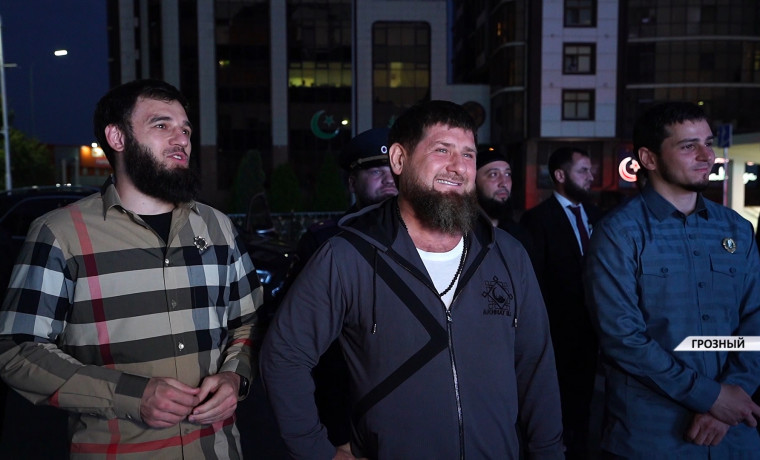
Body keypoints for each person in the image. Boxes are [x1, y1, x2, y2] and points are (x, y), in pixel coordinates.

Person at [260, 100, 563, 459]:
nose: (458, 166)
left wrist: (549, 453)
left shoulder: (507, 254)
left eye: (468, 154)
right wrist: (316, 451)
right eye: (442, 150)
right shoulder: (347, 257)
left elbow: (536, 366)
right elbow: (284, 356)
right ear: (399, 159)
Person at [0, 79, 263, 459]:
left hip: (219, 450)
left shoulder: (217, 226)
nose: (181, 139)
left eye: (185, 129)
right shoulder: (60, 233)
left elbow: (249, 321)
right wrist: (127, 395)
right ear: (117, 137)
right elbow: (18, 350)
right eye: (162, 125)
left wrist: (235, 376)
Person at [585, 101, 760, 457]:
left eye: (708, 143)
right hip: (653, 438)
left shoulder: (737, 229)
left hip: (734, 436)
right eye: (688, 146)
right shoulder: (619, 233)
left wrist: (733, 393)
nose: (706, 156)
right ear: (649, 158)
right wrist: (711, 397)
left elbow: (755, 319)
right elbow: (623, 339)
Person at [288, 127, 398, 448]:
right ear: (352, 183)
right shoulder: (325, 241)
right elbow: (295, 339)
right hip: (344, 403)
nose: (389, 180)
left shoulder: (428, 241)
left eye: (394, 170)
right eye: (375, 171)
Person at [520, 146, 601, 459]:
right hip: (558, 332)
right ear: (560, 175)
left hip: (594, 329)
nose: (591, 176)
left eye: (590, 170)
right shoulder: (538, 219)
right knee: (560, 406)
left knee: (587, 406)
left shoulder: (597, 215)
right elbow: (536, 281)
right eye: (583, 170)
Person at [475, 147, 533, 253]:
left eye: (507, 174)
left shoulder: (519, 234)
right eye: (493, 174)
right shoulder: (462, 235)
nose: (504, 183)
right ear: (474, 183)